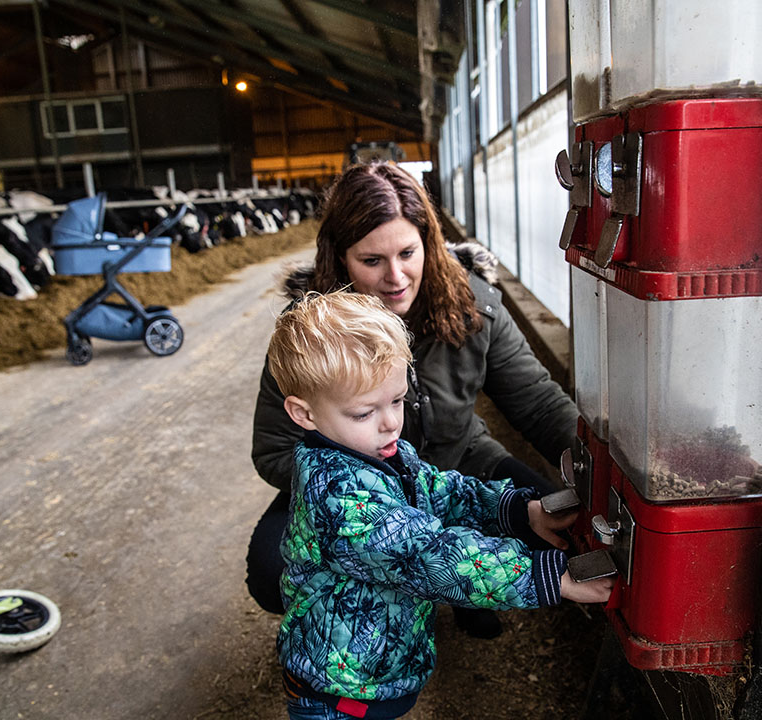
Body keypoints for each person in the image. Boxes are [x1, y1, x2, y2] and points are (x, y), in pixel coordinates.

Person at [249, 161, 581, 638]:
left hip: (463, 459)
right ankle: (378, 605)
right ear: (340, 258)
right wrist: (363, 494)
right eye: (372, 261)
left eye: (408, 252)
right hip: (353, 481)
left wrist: (602, 464)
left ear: (429, 241)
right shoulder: (314, 336)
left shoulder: (474, 307)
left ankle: (458, 586)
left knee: (548, 517)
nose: (396, 276)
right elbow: (274, 449)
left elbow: (538, 403)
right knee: (270, 569)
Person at [267, 291, 613, 720]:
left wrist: (517, 510)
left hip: (372, 676)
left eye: (396, 400)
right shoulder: (339, 494)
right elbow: (425, 554)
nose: (392, 421)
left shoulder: (378, 452)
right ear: (304, 414)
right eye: (364, 413)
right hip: (337, 697)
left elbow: (440, 491)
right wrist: (546, 574)